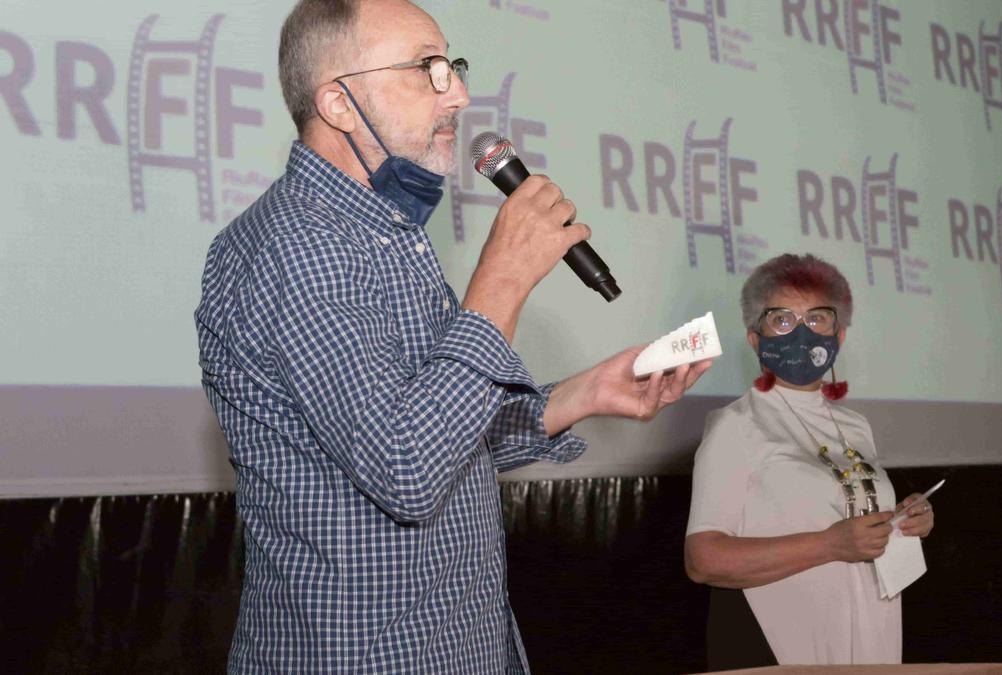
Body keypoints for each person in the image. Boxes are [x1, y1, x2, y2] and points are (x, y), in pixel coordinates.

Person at [194, 0, 710, 671]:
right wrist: (502, 279)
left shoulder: (388, 236)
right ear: (338, 103)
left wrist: (585, 391)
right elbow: (406, 467)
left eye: (453, 67)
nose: (459, 94)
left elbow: (446, 438)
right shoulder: (297, 247)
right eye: (426, 70)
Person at [683, 253, 934, 668]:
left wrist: (903, 521)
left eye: (817, 319)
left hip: (871, 632)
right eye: (782, 320)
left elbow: (852, 516)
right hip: (783, 647)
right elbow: (703, 560)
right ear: (754, 338)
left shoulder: (855, 426)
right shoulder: (736, 425)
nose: (801, 334)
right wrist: (830, 544)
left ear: (839, 335)